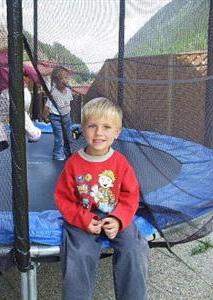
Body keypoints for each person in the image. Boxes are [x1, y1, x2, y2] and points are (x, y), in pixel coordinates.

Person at [54, 97, 149, 300]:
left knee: (134, 248)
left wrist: (118, 218)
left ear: (117, 132)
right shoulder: (73, 164)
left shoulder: (121, 163)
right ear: (82, 128)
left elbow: (130, 195)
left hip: (114, 212)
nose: (99, 133)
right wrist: (84, 219)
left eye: (107, 127)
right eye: (92, 126)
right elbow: (64, 199)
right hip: (83, 215)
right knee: (78, 253)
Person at [0, 25, 44, 152]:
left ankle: (1, 140)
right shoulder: (14, 56)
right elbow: (29, 70)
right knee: (21, 115)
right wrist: (39, 81)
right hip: (26, 94)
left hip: (10, 94)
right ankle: (35, 135)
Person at [43, 67, 74, 161]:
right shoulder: (53, 92)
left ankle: (68, 151)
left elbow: (69, 102)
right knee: (59, 137)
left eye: (66, 78)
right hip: (55, 118)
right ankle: (57, 154)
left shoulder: (69, 90)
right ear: (55, 81)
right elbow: (47, 106)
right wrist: (45, 116)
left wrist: (68, 112)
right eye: (61, 79)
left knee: (68, 136)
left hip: (66, 117)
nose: (65, 81)